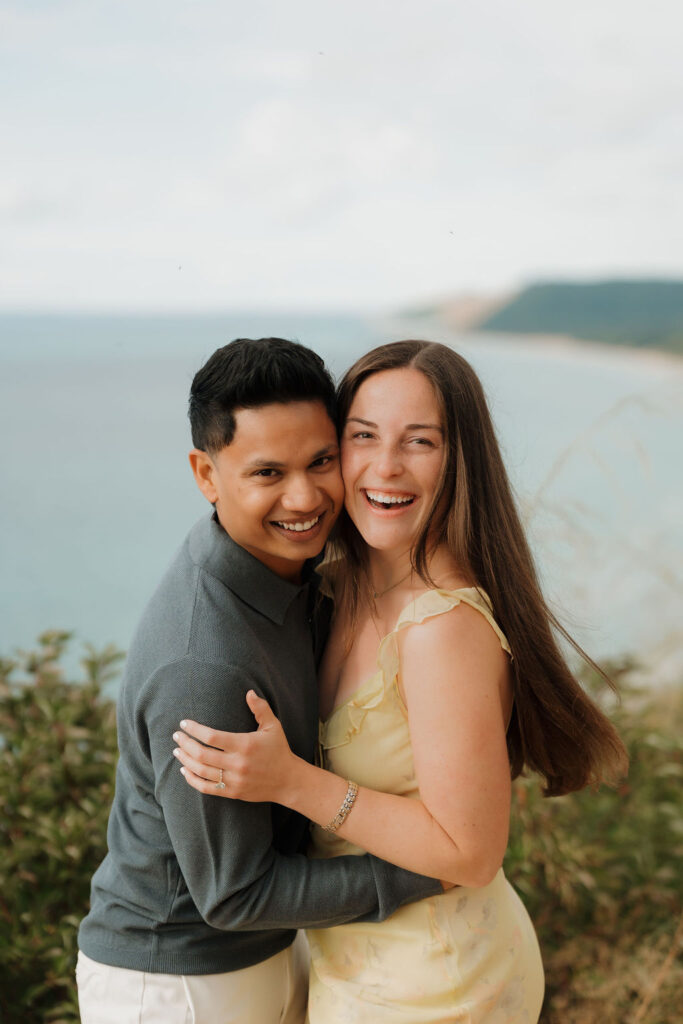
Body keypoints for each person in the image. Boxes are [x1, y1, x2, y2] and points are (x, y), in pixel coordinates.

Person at [174, 339, 629, 1023]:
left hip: (440, 981)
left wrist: (293, 782)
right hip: (357, 965)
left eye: (420, 442)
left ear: (459, 461)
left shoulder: (442, 627)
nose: (384, 467)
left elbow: (470, 852)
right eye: (361, 437)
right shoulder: (340, 584)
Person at [76, 338, 443, 1024]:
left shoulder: (285, 571)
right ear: (206, 475)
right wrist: (429, 868)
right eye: (267, 472)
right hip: (174, 985)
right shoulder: (205, 667)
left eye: (321, 462)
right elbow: (233, 894)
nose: (304, 497)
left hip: (262, 957)